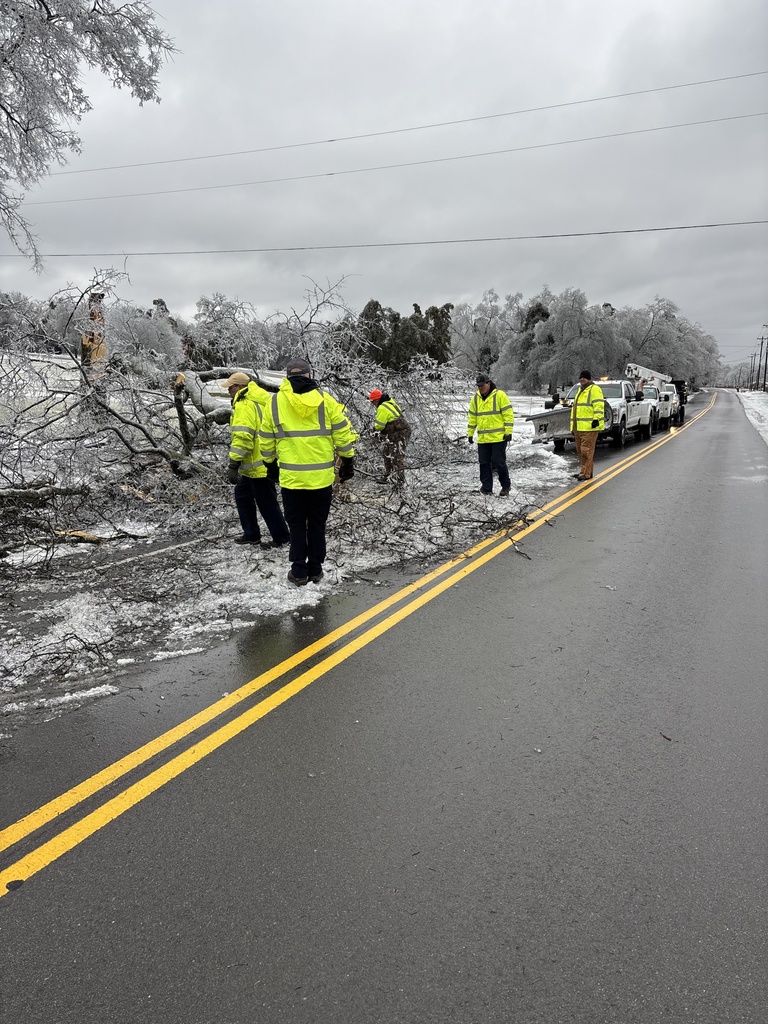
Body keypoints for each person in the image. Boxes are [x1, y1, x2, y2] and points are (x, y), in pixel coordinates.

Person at [260, 357, 356, 586]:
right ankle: (315, 569)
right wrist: (348, 461)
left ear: (287, 377)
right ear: (309, 375)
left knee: (296, 526)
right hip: (321, 479)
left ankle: (298, 571)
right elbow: (342, 433)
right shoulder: (326, 400)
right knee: (316, 525)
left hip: (291, 479)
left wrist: (270, 465)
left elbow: (265, 439)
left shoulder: (274, 403)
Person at [220, 371, 291, 548]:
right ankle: (251, 534)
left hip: (256, 464)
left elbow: (243, 436)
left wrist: (233, 463)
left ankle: (281, 537)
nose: (228, 391)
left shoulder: (245, 404)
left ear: (239, 387)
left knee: (266, 502)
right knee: (243, 495)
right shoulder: (261, 399)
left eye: (230, 387)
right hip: (262, 461)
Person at [467, 373, 514, 496]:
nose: (480, 388)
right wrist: (470, 433)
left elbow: (508, 415)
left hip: (499, 438)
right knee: (484, 463)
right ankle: (486, 487)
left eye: (482, 385)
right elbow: (472, 417)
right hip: (483, 439)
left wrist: (508, 432)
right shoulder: (475, 399)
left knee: (499, 463)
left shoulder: (500, 395)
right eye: (478, 386)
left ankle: (505, 486)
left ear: (488, 383)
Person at [368, 388, 411, 485]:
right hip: (399, 431)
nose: (372, 404)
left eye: (373, 401)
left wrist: (374, 429)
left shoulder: (382, 407)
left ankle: (399, 481)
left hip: (399, 432)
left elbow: (379, 426)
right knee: (387, 453)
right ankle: (389, 477)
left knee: (397, 456)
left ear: (376, 400)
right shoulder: (390, 402)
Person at [570, 369, 605, 481]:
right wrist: (573, 426)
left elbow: (599, 406)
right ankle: (583, 471)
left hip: (589, 427)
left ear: (589, 379)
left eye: (584, 377)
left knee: (586, 451)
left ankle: (586, 473)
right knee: (581, 451)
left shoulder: (594, 389)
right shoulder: (580, 390)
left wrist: (596, 419)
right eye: (580, 377)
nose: (582, 379)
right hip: (579, 427)